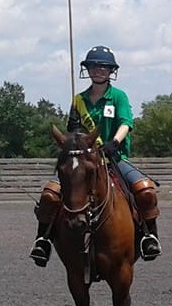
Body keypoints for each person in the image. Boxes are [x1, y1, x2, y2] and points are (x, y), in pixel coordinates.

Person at [30, 45, 161, 265]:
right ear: (87, 70)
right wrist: (72, 130)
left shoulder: (118, 97)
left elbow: (126, 123)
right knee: (50, 194)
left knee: (144, 189)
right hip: (83, 162)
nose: (98, 70)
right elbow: (73, 137)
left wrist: (115, 142)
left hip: (114, 159)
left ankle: (149, 236)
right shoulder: (78, 100)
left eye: (103, 67)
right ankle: (42, 239)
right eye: (94, 66)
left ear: (111, 71)